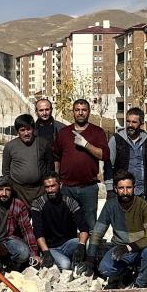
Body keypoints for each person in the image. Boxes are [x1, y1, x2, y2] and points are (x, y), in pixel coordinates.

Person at [88, 171, 147, 289]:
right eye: (121, 188)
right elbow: (97, 233)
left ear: (134, 188)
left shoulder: (143, 206)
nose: (125, 192)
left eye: (129, 188)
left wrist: (129, 247)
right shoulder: (110, 205)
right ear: (115, 189)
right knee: (104, 269)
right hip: (120, 249)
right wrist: (90, 260)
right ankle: (125, 272)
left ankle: (139, 284)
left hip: (140, 248)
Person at [53, 99, 109, 232]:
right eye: (77, 110)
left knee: (90, 225)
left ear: (89, 112)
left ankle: (89, 251)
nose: (80, 113)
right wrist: (57, 178)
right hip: (67, 187)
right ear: (73, 112)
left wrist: (86, 144)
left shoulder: (97, 132)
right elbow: (56, 157)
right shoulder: (64, 133)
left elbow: (104, 155)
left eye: (84, 110)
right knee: (66, 223)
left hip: (88, 188)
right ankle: (69, 251)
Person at [0, 177, 41, 271]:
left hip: (8, 240)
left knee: (24, 253)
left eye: (7, 190)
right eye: (0, 189)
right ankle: (0, 262)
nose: (4, 193)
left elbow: (27, 230)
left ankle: (5, 260)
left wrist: (34, 254)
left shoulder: (18, 205)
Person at [31, 172, 89, 271]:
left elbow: (83, 227)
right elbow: (38, 232)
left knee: (88, 244)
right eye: (47, 187)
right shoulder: (38, 204)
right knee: (66, 265)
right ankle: (47, 259)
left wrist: (81, 245)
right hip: (50, 247)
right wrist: (46, 252)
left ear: (60, 185)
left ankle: (83, 265)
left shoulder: (70, 202)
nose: (50, 190)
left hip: (68, 243)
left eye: (53, 186)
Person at [105, 107, 147, 207]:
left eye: (134, 122)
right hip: (122, 193)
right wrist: (109, 189)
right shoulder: (116, 140)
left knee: (140, 222)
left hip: (142, 193)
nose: (130, 125)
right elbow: (108, 165)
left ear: (141, 124)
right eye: (128, 121)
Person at [2, 114, 54, 206]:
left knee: (40, 218)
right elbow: (6, 170)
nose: (26, 133)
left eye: (28, 129)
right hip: (18, 191)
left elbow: (50, 166)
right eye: (22, 130)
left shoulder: (43, 143)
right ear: (17, 131)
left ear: (33, 129)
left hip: (40, 190)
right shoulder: (10, 146)